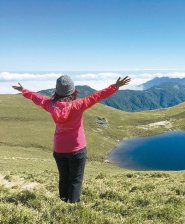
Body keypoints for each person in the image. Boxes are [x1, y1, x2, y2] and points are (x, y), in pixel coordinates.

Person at [12, 75, 131, 203]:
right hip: (77, 149)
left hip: (59, 149)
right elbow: (97, 96)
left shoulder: (50, 105)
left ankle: (63, 204)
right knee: (76, 180)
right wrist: (115, 86)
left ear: (57, 92)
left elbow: (37, 98)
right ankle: (72, 208)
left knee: (64, 178)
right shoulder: (78, 105)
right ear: (73, 91)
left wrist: (23, 90)